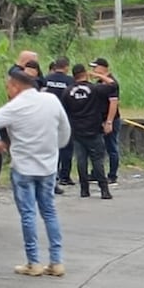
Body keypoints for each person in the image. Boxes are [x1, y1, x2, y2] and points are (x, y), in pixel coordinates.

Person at [0, 67, 72, 277]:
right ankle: (57, 261)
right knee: (49, 211)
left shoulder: (14, 107)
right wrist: (56, 148)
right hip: (48, 167)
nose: (7, 91)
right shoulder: (51, 100)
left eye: (8, 86)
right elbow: (65, 131)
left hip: (24, 167)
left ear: (16, 86)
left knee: (28, 214)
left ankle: (33, 262)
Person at [63, 64, 112, 200]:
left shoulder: (67, 92)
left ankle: (84, 189)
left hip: (77, 130)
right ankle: (104, 190)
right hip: (94, 129)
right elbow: (113, 85)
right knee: (97, 160)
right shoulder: (94, 89)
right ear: (85, 73)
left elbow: (64, 111)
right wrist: (99, 76)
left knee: (81, 160)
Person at [44, 57, 76, 188]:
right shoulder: (70, 81)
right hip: (65, 117)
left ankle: (52, 174)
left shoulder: (46, 80)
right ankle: (65, 176)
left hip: (48, 117)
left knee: (50, 147)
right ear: (66, 67)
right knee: (67, 147)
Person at [89, 57, 121, 185]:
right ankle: (96, 173)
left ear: (103, 68)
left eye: (95, 67)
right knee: (98, 148)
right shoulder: (99, 82)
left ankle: (112, 175)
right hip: (99, 119)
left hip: (111, 119)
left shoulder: (111, 82)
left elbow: (113, 103)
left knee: (111, 147)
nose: (93, 70)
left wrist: (109, 121)